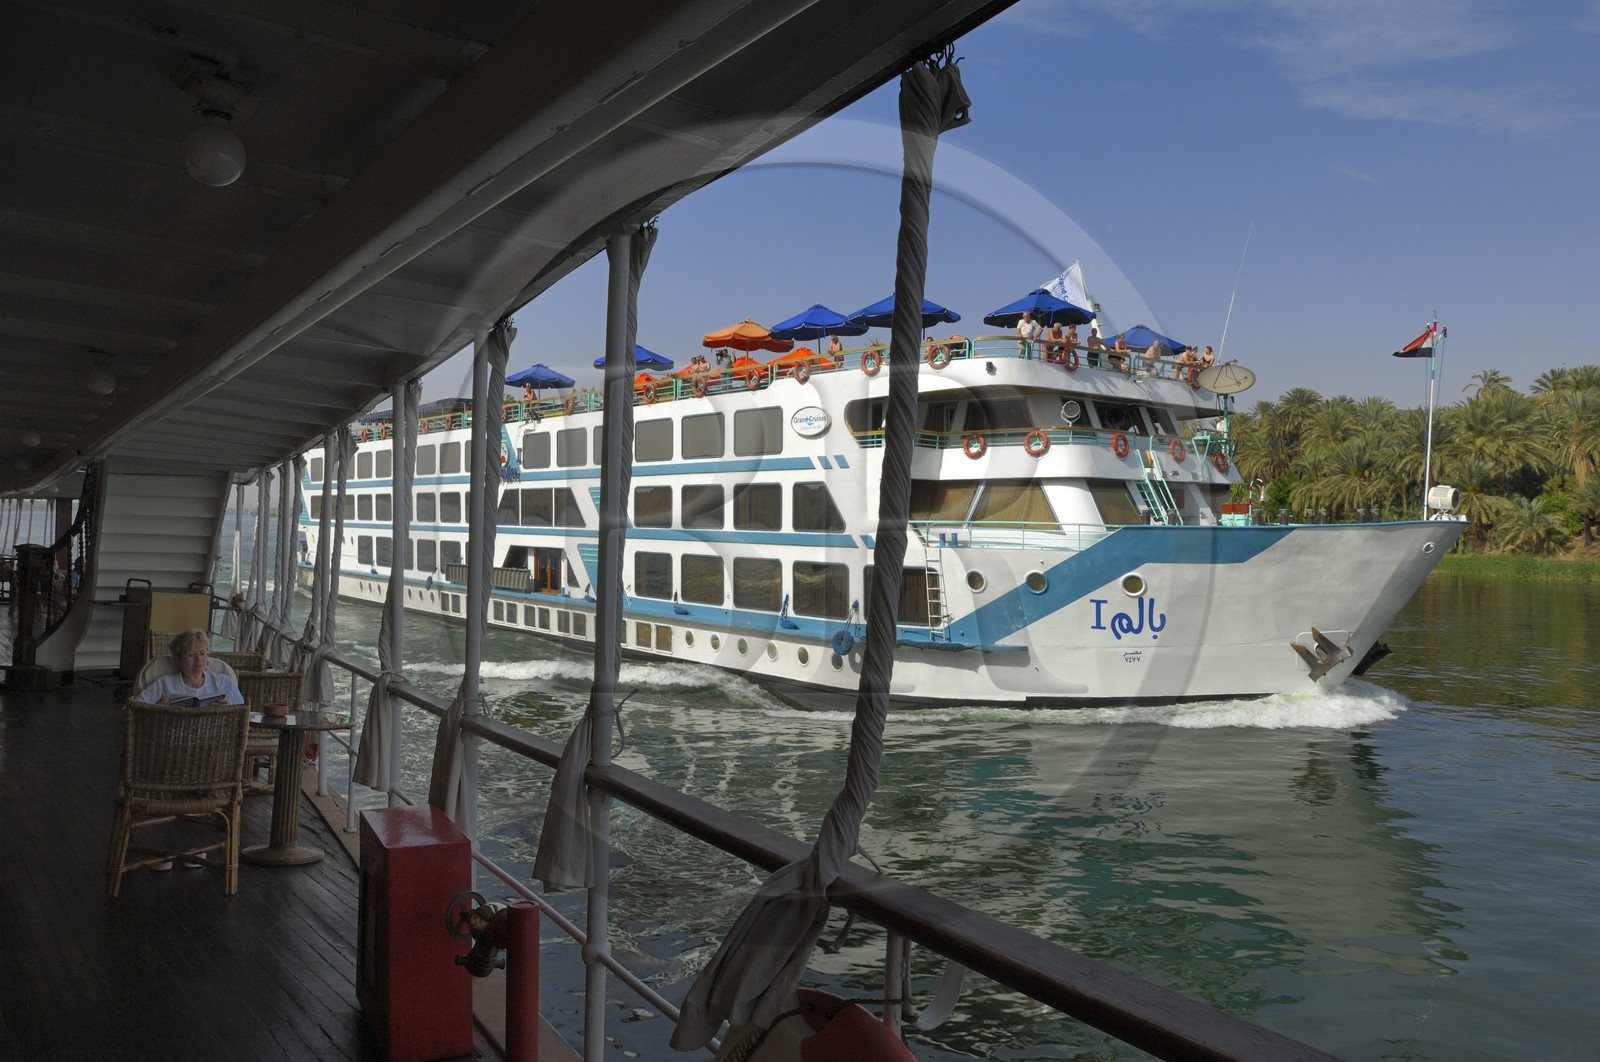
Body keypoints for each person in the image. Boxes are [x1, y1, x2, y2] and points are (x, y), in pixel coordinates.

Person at [135, 629, 244, 705]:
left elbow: (243, 714)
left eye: (202, 653)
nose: (198, 659)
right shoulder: (164, 684)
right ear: (178, 659)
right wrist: (154, 709)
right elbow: (129, 711)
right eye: (191, 655)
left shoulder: (224, 682)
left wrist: (229, 710)